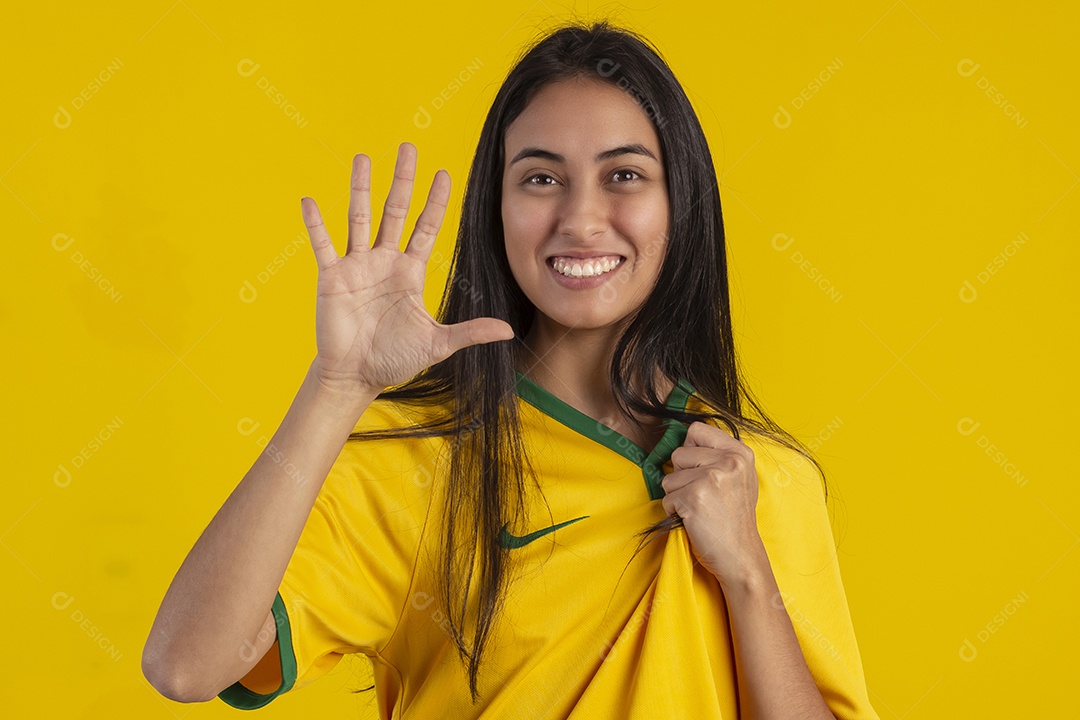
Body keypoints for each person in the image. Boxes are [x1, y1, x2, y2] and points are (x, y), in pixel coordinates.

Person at [142, 19, 880, 719]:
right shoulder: (416, 459)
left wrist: (747, 572)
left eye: (624, 174)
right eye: (540, 179)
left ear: (680, 204)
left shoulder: (761, 479)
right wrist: (336, 389)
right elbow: (187, 666)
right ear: (495, 209)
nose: (582, 219)